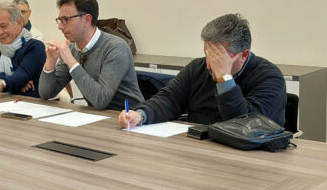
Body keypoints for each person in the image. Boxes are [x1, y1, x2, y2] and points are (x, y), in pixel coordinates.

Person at [118, 13, 286, 128]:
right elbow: (169, 99)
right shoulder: (197, 68)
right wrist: (140, 115)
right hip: (200, 150)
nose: (209, 65)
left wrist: (224, 78)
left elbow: (245, 125)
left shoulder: (270, 78)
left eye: (218, 57)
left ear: (243, 55)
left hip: (249, 159)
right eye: (207, 54)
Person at [39, 0, 143, 110]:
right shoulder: (72, 48)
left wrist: (70, 60)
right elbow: (46, 94)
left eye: (65, 19)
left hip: (129, 117)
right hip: (97, 116)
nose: (60, 27)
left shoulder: (116, 47)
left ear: (87, 20)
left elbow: (100, 100)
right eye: (59, 20)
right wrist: (50, 62)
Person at [0, 2, 46, 99]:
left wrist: (2, 83)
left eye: (3, 26)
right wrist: (13, 82)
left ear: (19, 23)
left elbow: (21, 76)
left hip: (27, 103)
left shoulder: (35, 47)